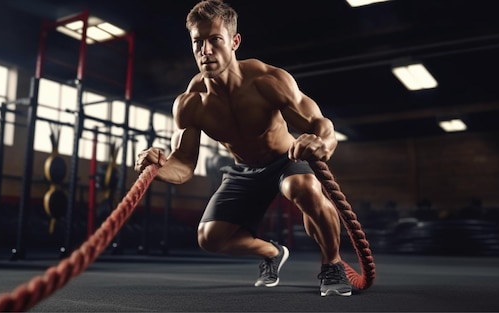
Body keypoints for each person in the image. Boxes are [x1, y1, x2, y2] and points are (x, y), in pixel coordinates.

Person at [134, 0, 351, 297]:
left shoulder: (268, 81)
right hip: (245, 170)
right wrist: (157, 167)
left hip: (286, 160)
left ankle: (332, 264)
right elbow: (183, 164)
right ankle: (272, 252)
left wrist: (321, 143)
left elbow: (319, 123)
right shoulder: (190, 104)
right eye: (198, 42)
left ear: (234, 42)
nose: (205, 50)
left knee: (303, 187)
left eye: (215, 40)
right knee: (209, 238)